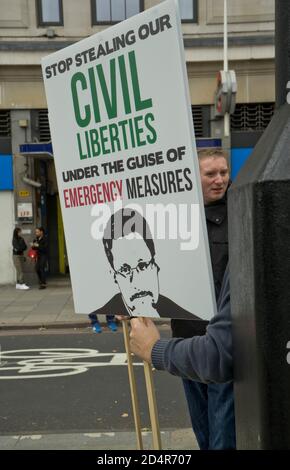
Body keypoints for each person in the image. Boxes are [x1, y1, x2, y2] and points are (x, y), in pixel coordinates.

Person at [171, 147, 236, 450]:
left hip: (222, 342)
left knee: (223, 434)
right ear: (193, 176)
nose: (219, 179)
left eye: (223, 172)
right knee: (204, 432)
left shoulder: (241, 209)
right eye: (210, 173)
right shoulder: (175, 215)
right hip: (186, 338)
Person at [129, 264, 232, 384]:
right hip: (186, 337)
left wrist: (154, 349)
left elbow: (219, 355)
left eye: (142, 266)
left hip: (212, 351)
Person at [94, 208, 197, 320]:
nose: (136, 281)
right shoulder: (106, 310)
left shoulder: (183, 315)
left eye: (143, 266)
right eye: (125, 270)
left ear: (156, 265)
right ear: (114, 276)